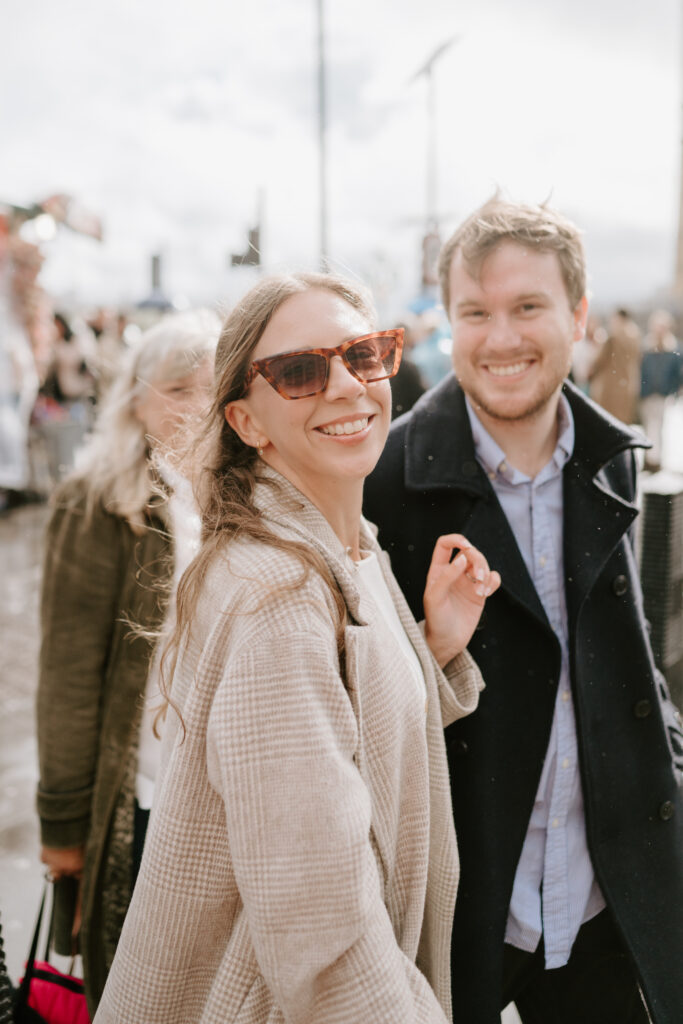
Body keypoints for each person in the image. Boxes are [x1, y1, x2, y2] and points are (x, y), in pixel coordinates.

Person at [94, 271, 500, 1024]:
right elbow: (325, 942)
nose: (346, 385)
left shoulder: (352, 546)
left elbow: (343, 741)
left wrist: (427, 651)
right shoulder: (275, 597)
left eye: (363, 353)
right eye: (300, 371)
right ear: (247, 423)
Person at [364, 198, 683, 1024]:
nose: (500, 338)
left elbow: (630, 667)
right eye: (475, 312)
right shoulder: (383, 481)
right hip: (461, 910)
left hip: (600, 900)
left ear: (576, 316)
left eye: (527, 307)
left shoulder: (612, 462)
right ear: (447, 321)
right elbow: (346, 714)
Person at [36, 309, 220, 1017]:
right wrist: (62, 827)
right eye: (179, 388)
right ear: (136, 398)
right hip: (142, 797)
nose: (199, 406)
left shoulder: (246, 498)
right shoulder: (98, 503)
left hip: (223, 798)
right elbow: (69, 676)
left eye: (213, 387)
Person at [639, 309, 682, 472]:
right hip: (647, 392)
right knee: (648, 426)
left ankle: (657, 460)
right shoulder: (646, 346)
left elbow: (677, 371)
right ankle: (648, 459)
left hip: (663, 393)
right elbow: (641, 369)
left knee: (659, 426)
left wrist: (674, 389)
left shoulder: (673, 348)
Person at [588, 307, 642, 424]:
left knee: (607, 423)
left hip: (609, 387)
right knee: (623, 424)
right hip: (627, 385)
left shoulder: (613, 337)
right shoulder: (635, 337)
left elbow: (598, 361)